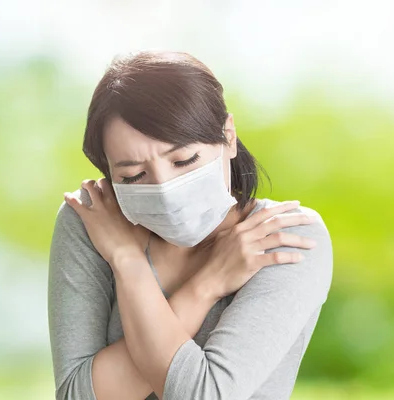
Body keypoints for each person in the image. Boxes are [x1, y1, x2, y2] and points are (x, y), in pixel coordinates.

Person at [47, 50, 333, 400]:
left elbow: (203, 395)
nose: (164, 189)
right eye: (133, 175)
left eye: (184, 160)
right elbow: (76, 396)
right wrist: (202, 283)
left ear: (227, 136)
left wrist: (128, 263)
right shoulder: (93, 220)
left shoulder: (285, 234)